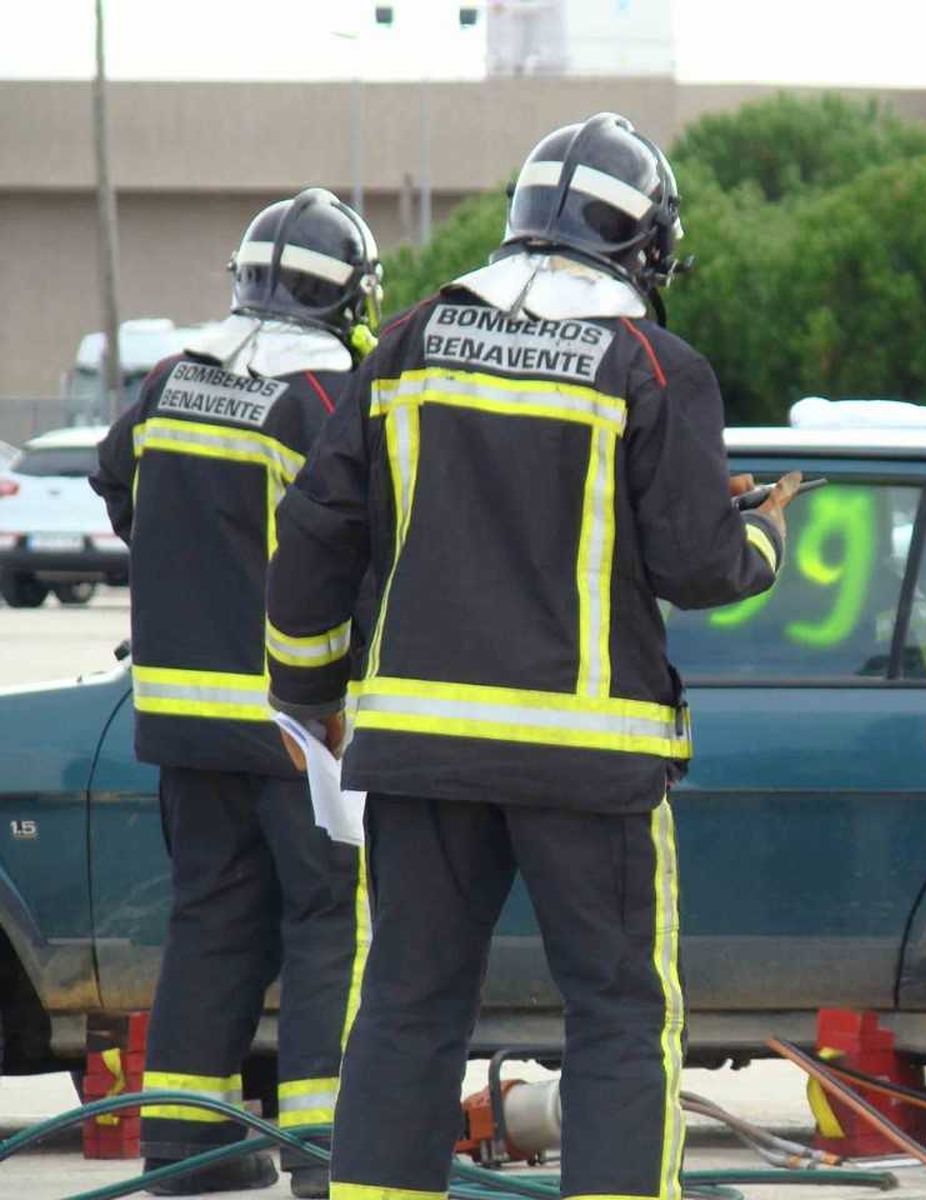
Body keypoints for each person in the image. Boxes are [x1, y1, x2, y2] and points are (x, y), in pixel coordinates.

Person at [263, 112, 797, 1200]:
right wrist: (762, 536)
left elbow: (316, 533)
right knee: (618, 1016)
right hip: (586, 768)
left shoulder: (408, 339)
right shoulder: (653, 363)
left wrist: (306, 694)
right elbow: (698, 565)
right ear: (644, 247)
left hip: (419, 762)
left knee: (407, 1007)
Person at [91, 188, 383, 1197]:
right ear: (344, 296)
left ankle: (183, 1145)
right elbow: (360, 540)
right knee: (323, 922)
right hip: (297, 722)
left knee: (208, 919)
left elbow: (113, 476)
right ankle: (325, 1147)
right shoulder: (322, 397)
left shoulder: (174, 377)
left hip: (180, 719)